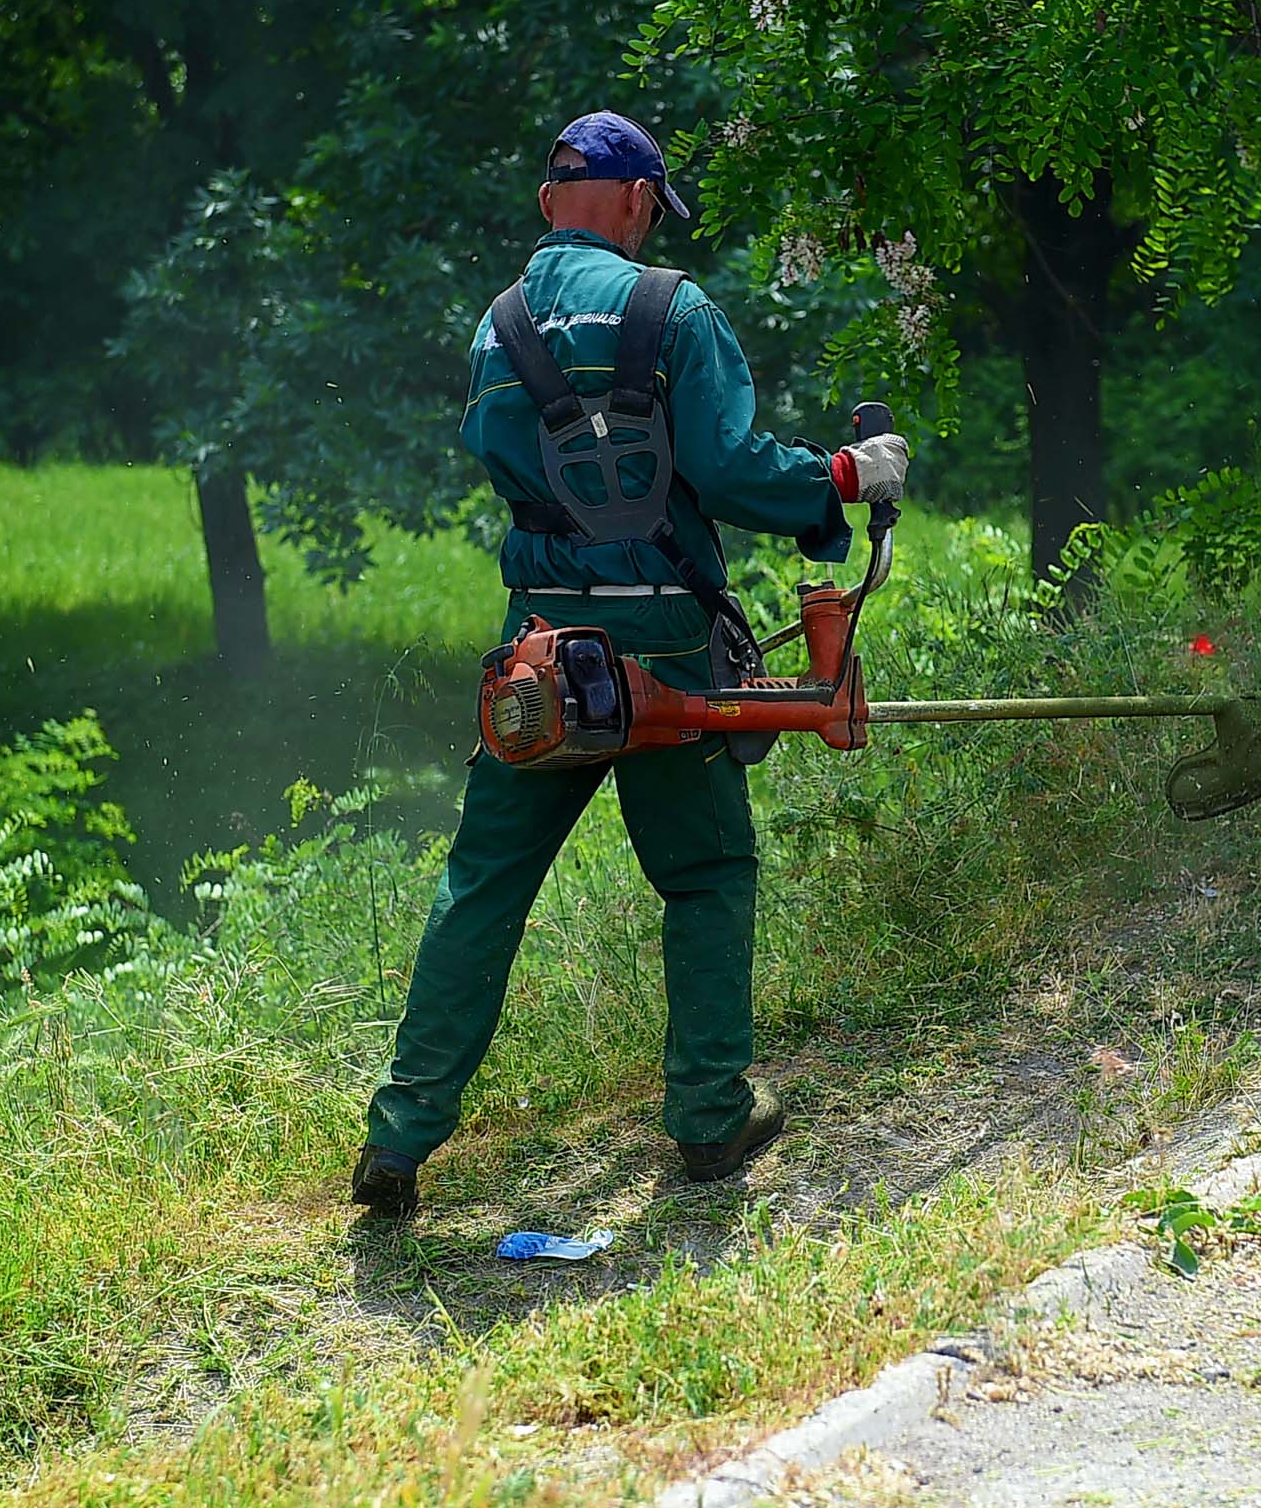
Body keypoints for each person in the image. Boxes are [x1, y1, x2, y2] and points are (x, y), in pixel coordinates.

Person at [352, 110, 909, 1217]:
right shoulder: (674, 309)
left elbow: (506, 461)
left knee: (482, 888)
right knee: (704, 876)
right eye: (654, 206)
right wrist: (845, 475)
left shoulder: (496, 328)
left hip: (542, 655)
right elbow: (728, 468)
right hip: (666, 647)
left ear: (549, 200)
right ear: (638, 199)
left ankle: (399, 1138)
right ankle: (709, 1117)